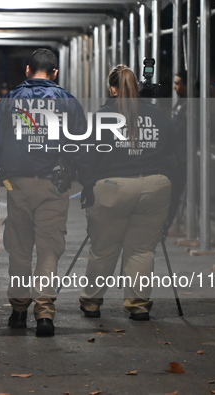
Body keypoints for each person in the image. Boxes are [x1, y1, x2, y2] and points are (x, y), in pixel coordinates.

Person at [0, 48, 86, 337]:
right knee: (49, 248)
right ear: (55, 73)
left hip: (17, 185)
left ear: (27, 70)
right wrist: (88, 181)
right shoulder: (68, 102)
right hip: (54, 185)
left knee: (20, 248)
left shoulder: (9, 101)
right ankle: (45, 313)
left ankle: (19, 310)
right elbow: (83, 145)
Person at [77, 65, 175, 321]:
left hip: (113, 188)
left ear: (112, 88)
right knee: (142, 250)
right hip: (155, 186)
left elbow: (86, 157)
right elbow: (173, 156)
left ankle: (92, 302)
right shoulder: (160, 117)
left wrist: (88, 186)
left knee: (103, 249)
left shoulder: (100, 116)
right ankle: (138, 305)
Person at [166, 70, 188, 229]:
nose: (174, 87)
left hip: (182, 158)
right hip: (175, 157)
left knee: (174, 193)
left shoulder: (188, 104)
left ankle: (166, 225)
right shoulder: (180, 103)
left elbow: (179, 130)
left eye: (178, 83)